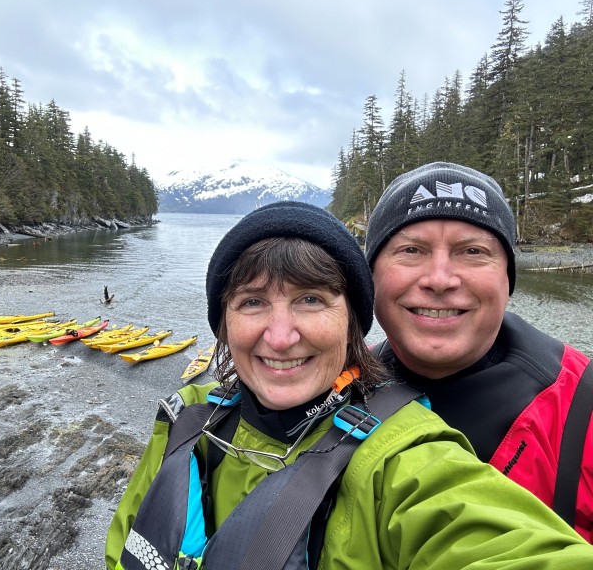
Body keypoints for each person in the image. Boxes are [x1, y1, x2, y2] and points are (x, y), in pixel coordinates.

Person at [106, 200, 593, 569]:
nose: (280, 336)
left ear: (352, 326)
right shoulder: (186, 417)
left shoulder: (402, 458)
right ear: (224, 325)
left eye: (312, 300)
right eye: (252, 302)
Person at [365, 161, 593, 543]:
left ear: (508, 280)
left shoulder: (582, 409)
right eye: (411, 250)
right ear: (370, 277)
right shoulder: (332, 394)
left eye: (472, 251)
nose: (439, 279)